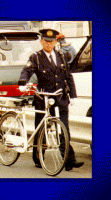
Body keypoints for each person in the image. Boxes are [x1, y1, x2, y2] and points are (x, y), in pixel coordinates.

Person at [19, 28, 84, 171]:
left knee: (64, 129)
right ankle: (38, 157)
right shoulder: (36, 57)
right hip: (44, 98)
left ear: (55, 42)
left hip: (60, 97)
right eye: (45, 41)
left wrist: (73, 95)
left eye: (51, 41)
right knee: (41, 128)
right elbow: (27, 70)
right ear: (41, 41)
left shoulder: (61, 55)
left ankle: (68, 159)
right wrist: (23, 82)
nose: (48, 44)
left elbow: (68, 76)